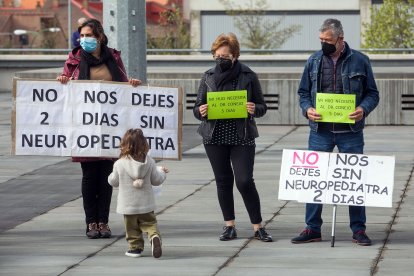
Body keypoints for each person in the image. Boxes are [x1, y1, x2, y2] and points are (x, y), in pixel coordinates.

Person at [292, 18, 380, 246]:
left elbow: (373, 94)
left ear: (340, 39)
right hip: (320, 131)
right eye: (321, 40)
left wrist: (363, 109)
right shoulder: (313, 61)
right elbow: (303, 93)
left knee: (354, 181)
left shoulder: (360, 61)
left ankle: (358, 230)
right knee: (314, 180)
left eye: (328, 40)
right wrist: (307, 109)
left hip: (350, 131)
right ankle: (312, 228)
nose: (324, 44)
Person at [57, 18, 141, 239]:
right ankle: (90, 223)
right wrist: (63, 80)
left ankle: (103, 222)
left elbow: (122, 84)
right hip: (85, 128)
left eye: (89, 36)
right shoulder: (74, 59)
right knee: (89, 177)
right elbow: (65, 84)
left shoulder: (113, 57)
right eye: (82, 36)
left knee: (106, 176)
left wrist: (131, 85)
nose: (84, 40)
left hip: (110, 128)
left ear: (100, 37)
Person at [193, 33, 272, 242]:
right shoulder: (207, 76)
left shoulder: (248, 75)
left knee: (245, 181)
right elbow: (196, 107)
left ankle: (258, 227)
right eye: (217, 55)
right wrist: (200, 110)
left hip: (242, 135)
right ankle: (229, 225)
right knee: (223, 181)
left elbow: (263, 106)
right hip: (214, 135)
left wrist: (255, 108)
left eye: (225, 56)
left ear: (235, 56)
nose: (221, 59)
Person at [108, 128, 169, 258]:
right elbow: (156, 180)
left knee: (131, 228)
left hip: (128, 204)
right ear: (144, 145)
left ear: (124, 145)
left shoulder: (119, 164)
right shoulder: (150, 162)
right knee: (150, 223)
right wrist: (162, 172)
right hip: (146, 203)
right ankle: (154, 236)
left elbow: (114, 181)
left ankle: (135, 248)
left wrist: (110, 176)